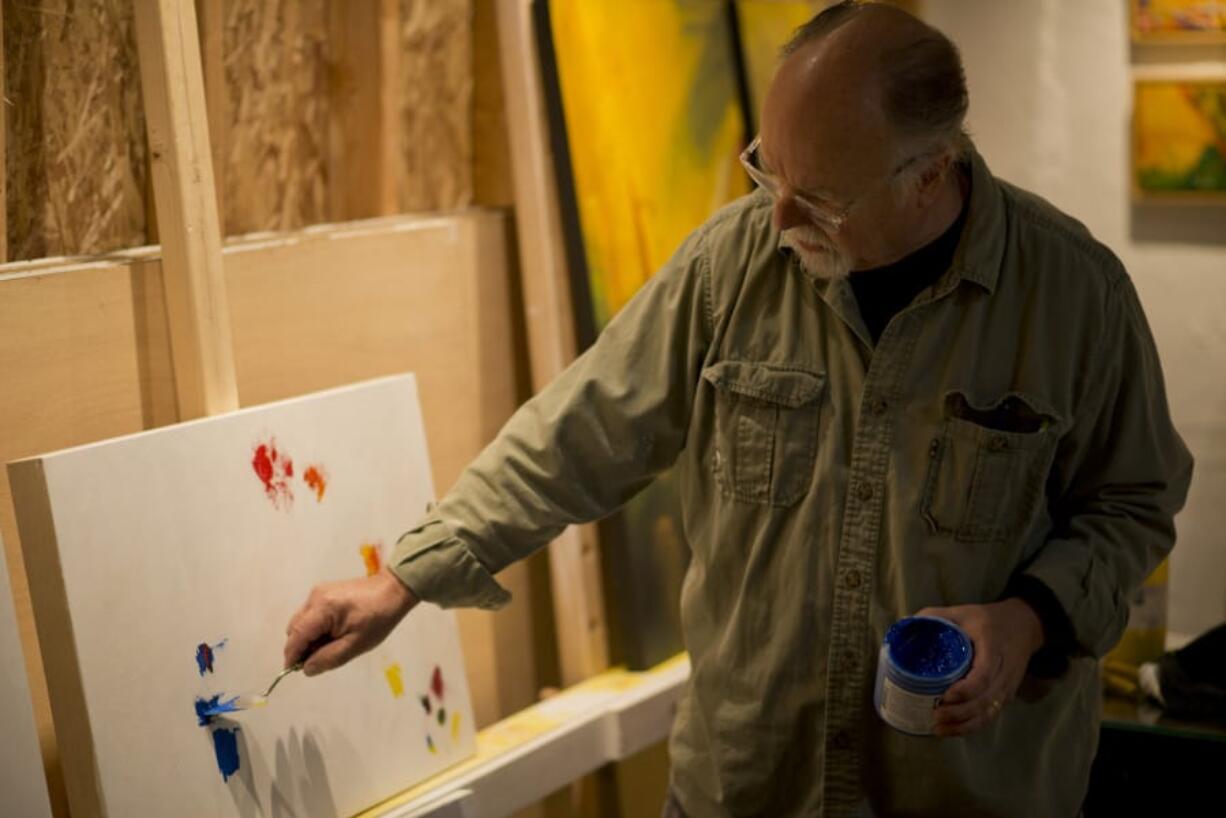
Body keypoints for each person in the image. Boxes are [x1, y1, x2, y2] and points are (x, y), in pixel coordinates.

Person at [283, 2, 1193, 815]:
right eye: (768, 169)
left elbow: (1133, 506)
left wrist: (1027, 617)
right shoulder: (732, 265)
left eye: (822, 198)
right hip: (746, 788)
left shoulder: (1074, 296)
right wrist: (404, 578)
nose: (780, 216)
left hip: (969, 793)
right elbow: (581, 430)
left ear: (930, 175)